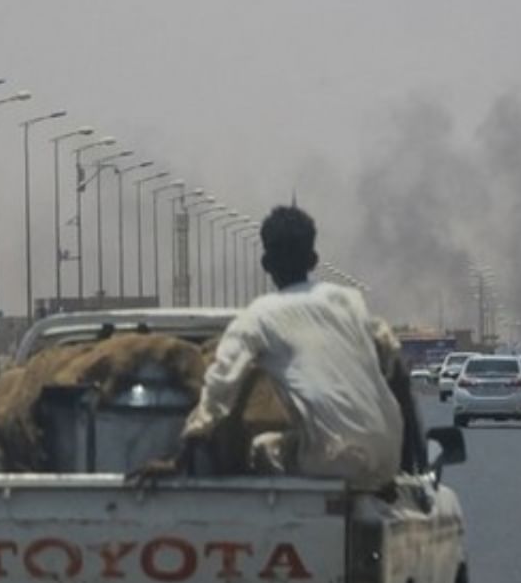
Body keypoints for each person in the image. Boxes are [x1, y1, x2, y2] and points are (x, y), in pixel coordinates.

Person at [143, 205, 405, 489]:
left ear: (266, 264)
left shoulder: (258, 316)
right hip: (390, 457)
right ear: (314, 259)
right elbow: (391, 355)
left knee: (262, 449)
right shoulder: (349, 300)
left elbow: (219, 388)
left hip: (331, 461)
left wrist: (179, 459)